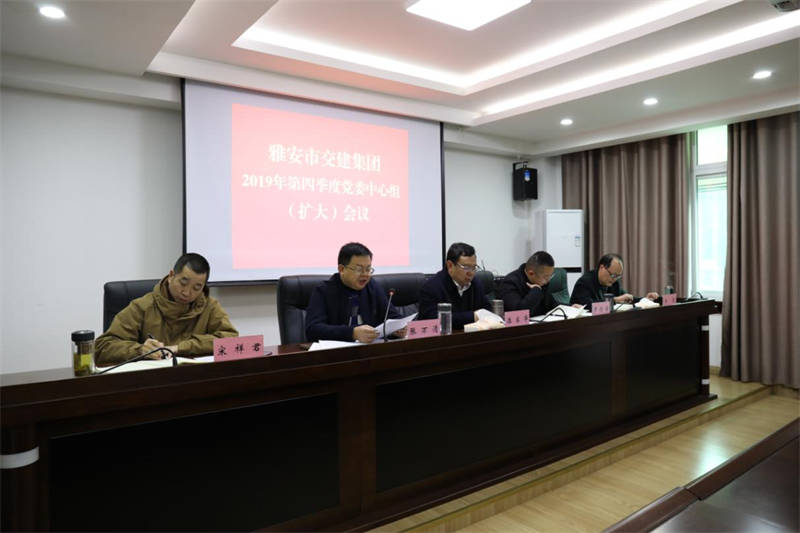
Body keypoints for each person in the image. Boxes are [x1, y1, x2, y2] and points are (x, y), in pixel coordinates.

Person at [95, 253, 238, 365]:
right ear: (171, 276)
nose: (187, 292)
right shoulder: (143, 306)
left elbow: (232, 341)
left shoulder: (209, 307)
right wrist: (140, 350)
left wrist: (180, 347)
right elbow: (102, 348)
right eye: (183, 283)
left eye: (196, 288)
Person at [305, 242, 405, 343]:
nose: (365, 275)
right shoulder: (323, 290)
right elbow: (313, 330)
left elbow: (393, 317)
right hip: (338, 351)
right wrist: (352, 333)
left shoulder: (372, 286)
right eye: (359, 269)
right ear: (341, 269)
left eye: (368, 269)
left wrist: (400, 328)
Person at [418, 242, 491, 329]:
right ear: (450, 265)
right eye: (466, 267)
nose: (471, 273)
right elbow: (431, 321)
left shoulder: (476, 284)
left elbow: (487, 311)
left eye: (473, 267)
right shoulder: (431, 287)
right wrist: (472, 317)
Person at [569, 253, 659, 307]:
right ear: (602, 267)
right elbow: (588, 306)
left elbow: (627, 298)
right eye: (612, 275)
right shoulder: (584, 282)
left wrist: (645, 299)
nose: (614, 279)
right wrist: (615, 300)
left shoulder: (614, 282)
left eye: (618, 276)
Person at [497, 251, 561, 316]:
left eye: (550, 276)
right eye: (546, 277)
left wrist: (566, 308)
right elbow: (520, 313)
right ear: (531, 273)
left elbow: (553, 306)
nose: (548, 280)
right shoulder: (510, 283)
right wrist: (536, 291)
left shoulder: (542, 283)